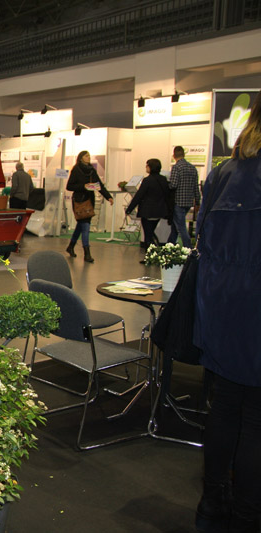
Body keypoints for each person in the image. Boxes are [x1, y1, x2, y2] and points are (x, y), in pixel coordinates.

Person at [194, 93, 261, 533]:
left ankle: (212, 504)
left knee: (224, 408)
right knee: (255, 419)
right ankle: (247, 516)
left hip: (219, 303)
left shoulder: (223, 173)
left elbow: (201, 233)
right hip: (255, 308)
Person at [65, 150, 113, 263]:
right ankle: (87, 253)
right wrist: (83, 186)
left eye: (89, 156)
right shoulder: (76, 169)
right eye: (86, 156)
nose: (88, 157)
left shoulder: (91, 170)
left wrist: (108, 197)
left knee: (81, 225)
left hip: (89, 201)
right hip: (79, 201)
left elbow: (99, 185)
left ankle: (71, 246)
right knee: (85, 226)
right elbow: (69, 186)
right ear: (81, 158)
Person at [125, 158, 171, 262]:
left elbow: (139, 196)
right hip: (159, 211)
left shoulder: (147, 180)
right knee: (150, 233)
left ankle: (150, 256)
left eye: (147, 165)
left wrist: (129, 209)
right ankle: (154, 254)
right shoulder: (163, 180)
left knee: (148, 235)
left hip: (147, 211)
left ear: (150, 167)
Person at [167, 146, 201, 248]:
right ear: (184, 154)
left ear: (174, 156)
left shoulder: (176, 167)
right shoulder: (192, 168)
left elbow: (173, 185)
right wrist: (197, 202)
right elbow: (196, 187)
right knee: (175, 226)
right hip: (188, 202)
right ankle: (169, 245)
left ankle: (188, 247)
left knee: (181, 227)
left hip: (178, 201)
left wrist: (166, 183)